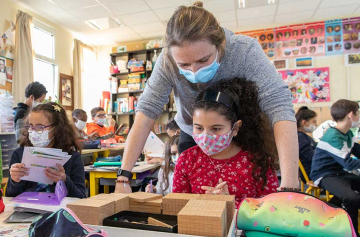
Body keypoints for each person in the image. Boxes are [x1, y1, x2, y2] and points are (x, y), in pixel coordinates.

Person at [115, 2, 299, 193]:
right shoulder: (167, 60)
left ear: (221, 45)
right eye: (184, 65)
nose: (194, 71)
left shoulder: (245, 51)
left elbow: (279, 105)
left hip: (241, 135)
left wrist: (289, 186)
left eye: (203, 60)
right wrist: (123, 178)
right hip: (194, 136)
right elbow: (146, 111)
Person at [172, 78, 279, 206]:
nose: (206, 136)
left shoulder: (258, 162)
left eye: (216, 129)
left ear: (235, 128)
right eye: (199, 128)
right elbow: (177, 206)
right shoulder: (187, 160)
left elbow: (271, 210)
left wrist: (230, 204)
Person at [310, 99, 360, 237]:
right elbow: (348, 163)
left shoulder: (347, 133)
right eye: (358, 114)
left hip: (339, 173)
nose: (359, 117)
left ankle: (336, 207)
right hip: (324, 175)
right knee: (351, 198)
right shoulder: (333, 137)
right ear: (351, 114)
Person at [6, 103, 86, 198]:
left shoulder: (72, 157)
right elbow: (10, 196)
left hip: (59, 210)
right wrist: (15, 180)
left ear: (57, 128)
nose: (33, 131)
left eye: (40, 127)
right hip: (28, 210)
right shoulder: (19, 154)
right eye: (30, 126)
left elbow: (81, 197)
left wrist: (64, 180)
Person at [296, 107, 317, 182]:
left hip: (314, 170)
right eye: (314, 122)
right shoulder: (300, 138)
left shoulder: (304, 136)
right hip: (311, 173)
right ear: (304, 122)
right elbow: (310, 156)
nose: (316, 124)